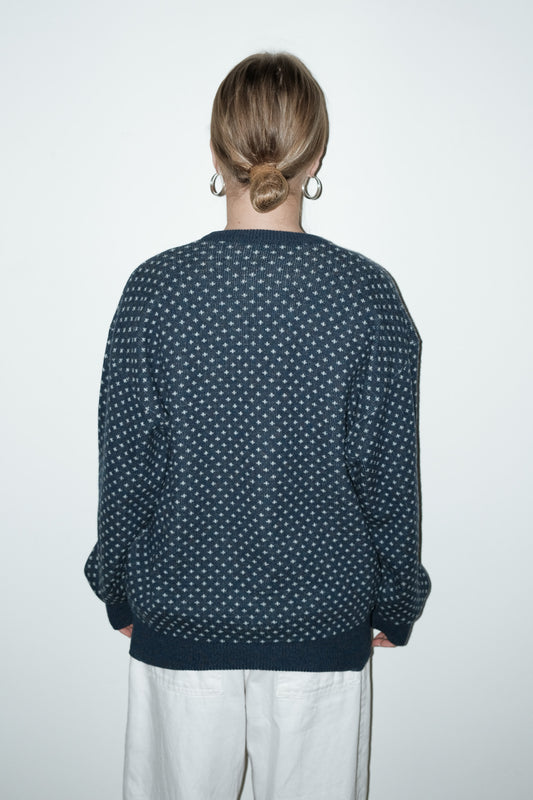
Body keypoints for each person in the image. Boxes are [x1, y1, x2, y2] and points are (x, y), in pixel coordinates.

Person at [84, 51, 430, 800]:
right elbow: (388, 473)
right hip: (321, 620)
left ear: (216, 153)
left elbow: (125, 462)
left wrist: (117, 588)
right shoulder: (367, 295)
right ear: (316, 155)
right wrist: (396, 601)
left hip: (181, 615)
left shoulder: (156, 291)